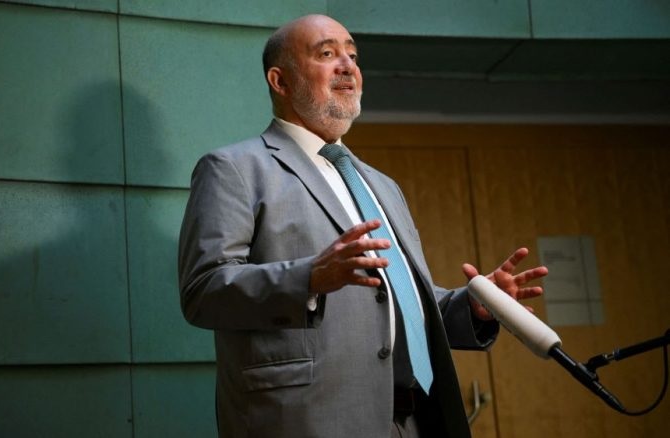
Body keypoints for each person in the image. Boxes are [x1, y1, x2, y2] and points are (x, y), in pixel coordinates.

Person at [178, 14, 547, 438]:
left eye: (353, 56)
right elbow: (203, 291)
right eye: (327, 53)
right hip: (308, 421)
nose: (347, 66)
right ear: (280, 81)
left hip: (415, 421)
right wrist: (308, 278)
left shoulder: (381, 185)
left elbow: (396, 301)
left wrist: (475, 306)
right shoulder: (235, 168)